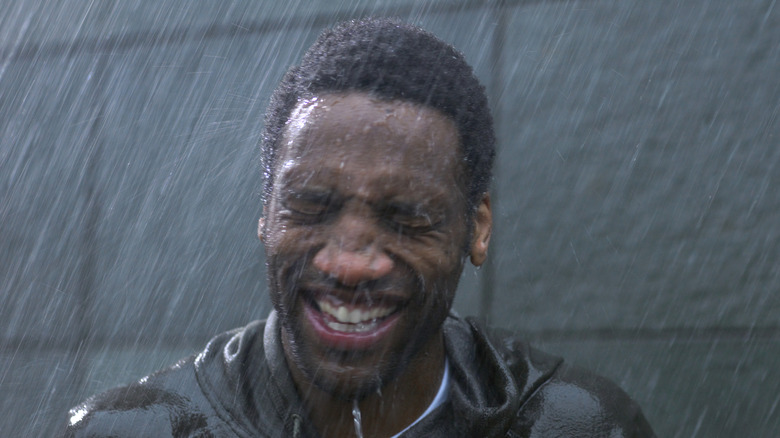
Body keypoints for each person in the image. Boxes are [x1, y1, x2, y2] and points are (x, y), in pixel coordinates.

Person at [62, 18, 656, 437]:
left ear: (477, 228)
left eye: (406, 218)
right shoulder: (138, 431)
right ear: (265, 213)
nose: (348, 264)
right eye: (312, 207)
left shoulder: (573, 425)